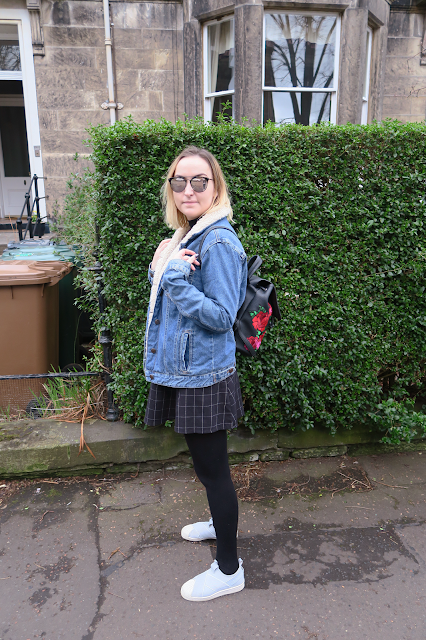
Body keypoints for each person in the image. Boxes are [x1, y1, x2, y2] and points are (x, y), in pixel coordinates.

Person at [143, 146, 247, 602]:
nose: (188, 189)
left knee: (214, 471)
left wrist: (171, 278)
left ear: (215, 186)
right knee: (207, 469)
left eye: (199, 181)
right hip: (189, 371)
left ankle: (229, 569)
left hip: (204, 375)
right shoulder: (188, 234)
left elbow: (222, 316)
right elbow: (173, 301)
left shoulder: (218, 242)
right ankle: (218, 523)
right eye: (179, 181)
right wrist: (159, 269)